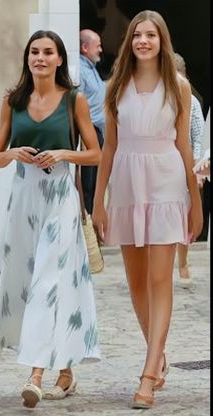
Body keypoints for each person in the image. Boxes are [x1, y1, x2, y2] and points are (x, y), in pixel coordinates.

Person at [0, 30, 101, 409]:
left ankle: (35, 374)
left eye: (48, 52)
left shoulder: (74, 101)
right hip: (23, 200)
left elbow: (96, 153)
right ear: (28, 58)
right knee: (28, 281)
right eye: (34, 51)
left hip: (60, 200)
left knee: (48, 282)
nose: (40, 57)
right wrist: (13, 152)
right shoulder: (12, 101)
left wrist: (65, 154)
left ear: (60, 59)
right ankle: (65, 372)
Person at [92, 10, 203, 409]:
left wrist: (196, 201)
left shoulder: (180, 87)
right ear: (130, 42)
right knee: (136, 285)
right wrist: (98, 202)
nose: (142, 40)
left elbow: (185, 147)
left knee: (160, 282)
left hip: (167, 183)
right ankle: (159, 355)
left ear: (162, 41)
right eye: (137, 34)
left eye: (150, 35)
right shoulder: (114, 87)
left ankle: (149, 370)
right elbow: (108, 149)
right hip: (125, 185)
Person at [174, 53, 205, 286]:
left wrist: (197, 167)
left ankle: (182, 261)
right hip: (162, 165)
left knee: (185, 215)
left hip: (185, 167)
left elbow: (198, 135)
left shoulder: (191, 101)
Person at [79, 29, 106, 214]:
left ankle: (94, 228)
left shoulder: (91, 68)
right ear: (85, 47)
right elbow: (78, 102)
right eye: (98, 46)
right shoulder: (80, 70)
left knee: (96, 182)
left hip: (98, 132)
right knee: (88, 184)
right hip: (89, 133)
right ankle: (88, 229)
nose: (101, 50)